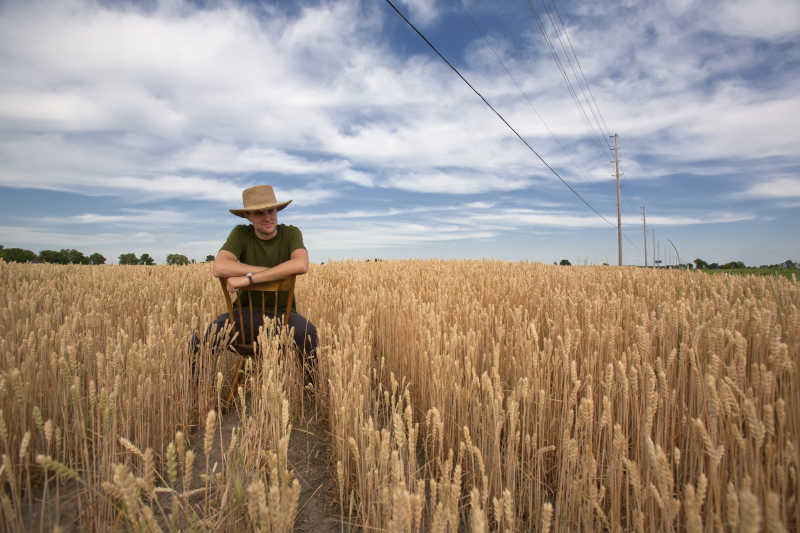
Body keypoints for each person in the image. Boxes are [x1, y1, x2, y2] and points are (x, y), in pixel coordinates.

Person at [198, 185, 318, 384]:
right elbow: (219, 267)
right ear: (248, 217)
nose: (267, 217)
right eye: (259, 213)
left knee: (308, 334)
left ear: (277, 211)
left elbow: (301, 264)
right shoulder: (240, 234)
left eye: (271, 210)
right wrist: (277, 272)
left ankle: (310, 393)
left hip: (283, 317)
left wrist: (249, 279)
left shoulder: (290, 234)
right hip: (242, 317)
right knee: (199, 342)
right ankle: (196, 395)